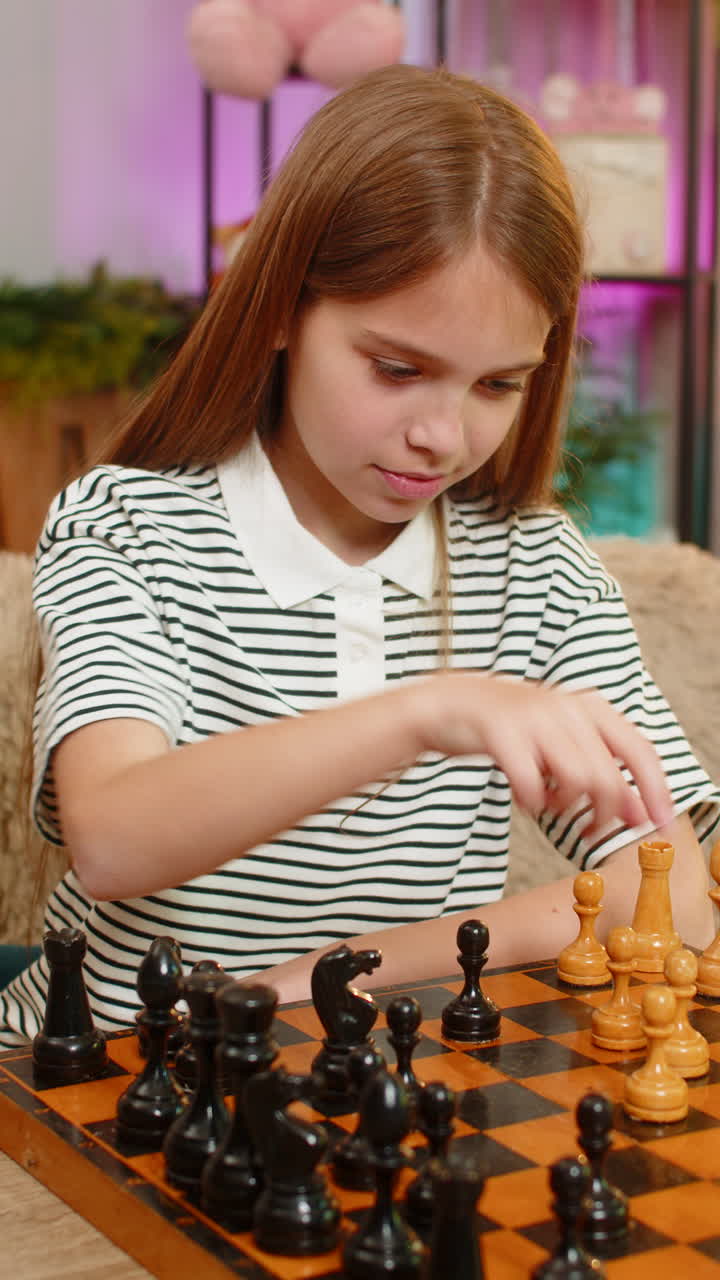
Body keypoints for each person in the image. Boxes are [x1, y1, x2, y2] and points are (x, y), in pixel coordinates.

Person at [1, 64, 717, 1046]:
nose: (443, 434)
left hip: (370, 1082)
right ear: (282, 307)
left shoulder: (539, 571)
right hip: (104, 1089)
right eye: (398, 368)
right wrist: (428, 711)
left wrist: (329, 976)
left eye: (499, 384)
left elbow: (672, 895)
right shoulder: (128, 526)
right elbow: (114, 835)